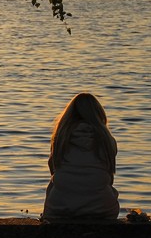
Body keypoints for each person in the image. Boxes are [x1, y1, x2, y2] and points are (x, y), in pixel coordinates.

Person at [42, 93, 119, 221]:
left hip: (60, 208)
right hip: (102, 209)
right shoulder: (107, 140)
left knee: (55, 183)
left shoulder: (60, 139)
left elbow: (54, 170)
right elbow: (109, 176)